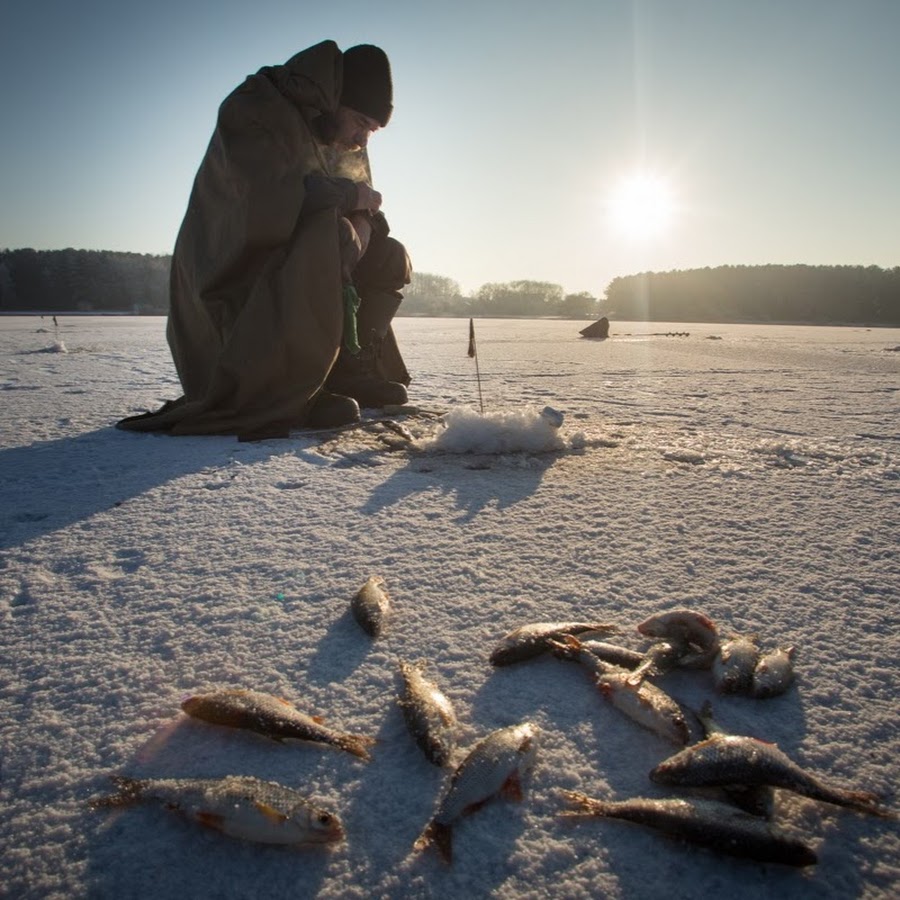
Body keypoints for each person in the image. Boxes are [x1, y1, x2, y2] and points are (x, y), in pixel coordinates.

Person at [117, 40, 411, 440]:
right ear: (333, 99)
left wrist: (361, 213)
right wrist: (350, 202)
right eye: (360, 122)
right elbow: (269, 200)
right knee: (332, 234)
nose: (362, 140)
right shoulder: (256, 108)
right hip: (233, 279)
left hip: (296, 260)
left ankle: (347, 370)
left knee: (390, 256)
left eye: (371, 131)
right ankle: (291, 385)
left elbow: (363, 203)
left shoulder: (335, 136)